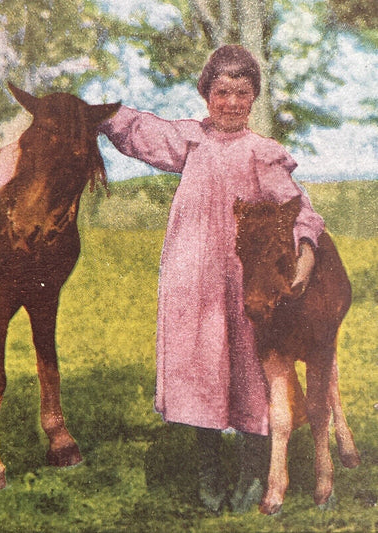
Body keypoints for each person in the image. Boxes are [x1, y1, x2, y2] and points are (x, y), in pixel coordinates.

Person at [99, 45, 324, 513]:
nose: (231, 102)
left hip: (246, 283)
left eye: (243, 94)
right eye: (222, 92)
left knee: (246, 369)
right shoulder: (190, 142)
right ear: (206, 95)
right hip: (192, 278)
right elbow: (141, 129)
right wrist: (97, 114)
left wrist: (304, 247)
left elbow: (299, 209)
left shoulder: (262, 153)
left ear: (254, 98)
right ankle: (208, 475)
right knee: (200, 367)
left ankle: (249, 474)